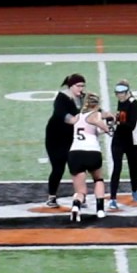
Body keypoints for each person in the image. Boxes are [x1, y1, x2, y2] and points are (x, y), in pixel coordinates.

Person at [67, 92, 114, 222]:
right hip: (92, 152)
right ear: (97, 104)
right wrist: (109, 127)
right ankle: (100, 210)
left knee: (80, 191)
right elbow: (101, 126)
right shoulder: (96, 114)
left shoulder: (78, 116)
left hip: (75, 153)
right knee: (98, 180)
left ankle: (76, 206)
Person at [44, 73, 87, 207]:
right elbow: (63, 115)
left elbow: (91, 110)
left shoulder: (82, 97)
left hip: (71, 137)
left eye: (83, 86)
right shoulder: (62, 98)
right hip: (56, 137)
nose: (81, 88)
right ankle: (51, 196)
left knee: (77, 167)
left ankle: (80, 196)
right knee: (58, 167)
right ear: (71, 86)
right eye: (78, 86)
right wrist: (78, 119)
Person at [108, 79, 137, 210]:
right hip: (119, 140)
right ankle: (112, 198)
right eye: (117, 93)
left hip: (132, 142)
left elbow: (131, 125)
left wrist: (116, 121)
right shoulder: (121, 101)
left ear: (127, 92)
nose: (119, 96)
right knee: (116, 169)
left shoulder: (134, 104)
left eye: (121, 93)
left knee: (134, 169)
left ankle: (135, 191)